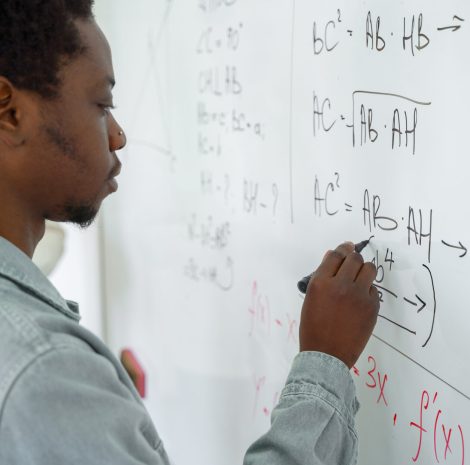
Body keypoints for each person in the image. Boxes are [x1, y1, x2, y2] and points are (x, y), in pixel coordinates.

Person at [0, 1, 380, 464]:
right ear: (10, 111)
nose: (118, 136)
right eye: (102, 105)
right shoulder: (45, 371)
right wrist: (325, 363)